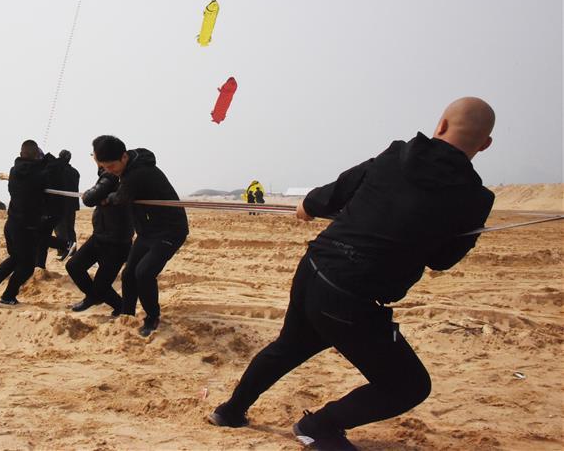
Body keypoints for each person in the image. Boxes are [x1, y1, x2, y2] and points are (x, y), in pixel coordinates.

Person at [208, 97, 497, 451]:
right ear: (485, 144)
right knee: (408, 386)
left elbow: (343, 187)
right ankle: (318, 426)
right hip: (350, 297)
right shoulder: (476, 198)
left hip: (314, 267)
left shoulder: (396, 154)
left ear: (440, 126)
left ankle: (231, 411)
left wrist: (310, 204)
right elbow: (442, 260)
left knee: (290, 346)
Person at [93, 135, 188, 337]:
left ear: (124, 157)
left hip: (170, 229)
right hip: (148, 230)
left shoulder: (138, 173)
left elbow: (119, 197)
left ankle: (152, 318)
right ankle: (127, 314)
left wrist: (107, 197)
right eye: (104, 166)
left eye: (111, 166)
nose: (108, 171)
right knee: (129, 274)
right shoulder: (128, 166)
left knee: (144, 273)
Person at [0, 140, 58, 306]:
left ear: (21, 154)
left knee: (16, 258)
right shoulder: (39, 174)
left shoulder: (14, 170)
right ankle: (7, 295)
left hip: (12, 224)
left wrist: (39, 160)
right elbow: (53, 172)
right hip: (26, 226)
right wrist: (47, 158)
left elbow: (35, 173)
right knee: (28, 265)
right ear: (37, 155)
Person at [66, 166, 134, 315]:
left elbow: (89, 198)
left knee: (101, 285)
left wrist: (104, 196)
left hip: (117, 242)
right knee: (73, 266)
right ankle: (100, 299)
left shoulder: (115, 176)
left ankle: (99, 299)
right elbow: (93, 196)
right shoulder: (107, 176)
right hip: (100, 236)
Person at [54, 149, 81, 259]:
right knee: (70, 228)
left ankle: (62, 251)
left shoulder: (57, 170)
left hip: (59, 204)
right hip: (72, 204)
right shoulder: (75, 172)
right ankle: (73, 251)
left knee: (60, 228)